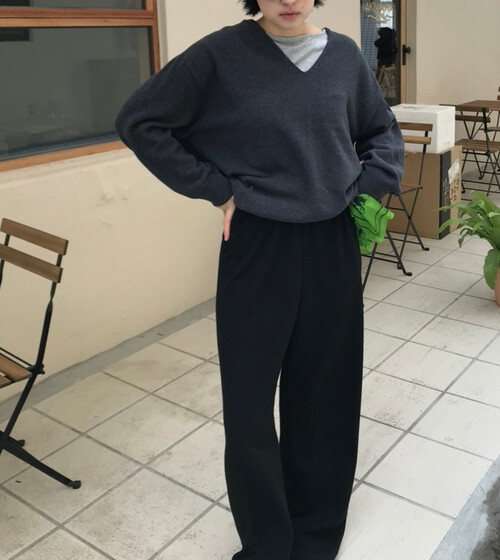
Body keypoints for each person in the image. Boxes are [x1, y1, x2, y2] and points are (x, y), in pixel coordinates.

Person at [115, 1, 404, 558]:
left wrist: (369, 185)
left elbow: (381, 130)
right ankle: (268, 545)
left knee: (325, 392)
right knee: (248, 405)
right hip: (257, 242)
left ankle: (316, 533)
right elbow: (140, 121)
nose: (288, 0)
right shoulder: (221, 55)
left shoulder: (344, 56)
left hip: (331, 242)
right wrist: (216, 190)